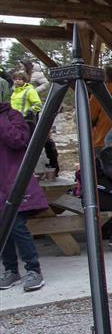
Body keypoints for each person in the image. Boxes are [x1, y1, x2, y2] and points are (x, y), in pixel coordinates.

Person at [0, 101, 47, 292]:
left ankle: (34, 270)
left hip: (14, 182)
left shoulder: (13, 116)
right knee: (2, 229)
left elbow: (18, 140)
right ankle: (11, 270)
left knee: (17, 226)